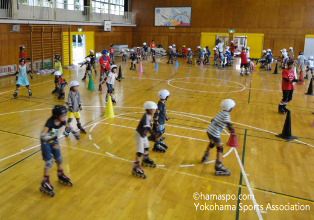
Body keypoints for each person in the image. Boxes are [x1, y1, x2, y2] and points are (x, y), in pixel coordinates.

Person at [39, 105, 73, 197]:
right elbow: (42, 135)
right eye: (63, 116)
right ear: (56, 115)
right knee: (49, 161)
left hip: (54, 139)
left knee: (59, 159)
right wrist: (52, 143)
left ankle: (60, 173)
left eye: (65, 115)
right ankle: (45, 181)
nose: (64, 117)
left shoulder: (61, 121)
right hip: (46, 142)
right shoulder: (49, 122)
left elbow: (66, 125)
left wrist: (69, 128)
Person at [201, 99, 236, 176]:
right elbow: (227, 123)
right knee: (220, 148)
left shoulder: (219, 112)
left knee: (212, 143)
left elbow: (212, 120)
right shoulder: (226, 115)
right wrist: (231, 130)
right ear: (230, 108)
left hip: (209, 130)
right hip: (214, 133)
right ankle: (218, 165)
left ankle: (206, 155)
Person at [132, 101, 158, 179]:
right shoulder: (145, 117)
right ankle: (135, 167)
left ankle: (145, 159)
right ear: (148, 109)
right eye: (153, 109)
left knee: (146, 147)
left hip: (143, 135)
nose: (154, 110)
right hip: (139, 135)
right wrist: (155, 135)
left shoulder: (149, 115)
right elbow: (148, 128)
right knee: (140, 152)